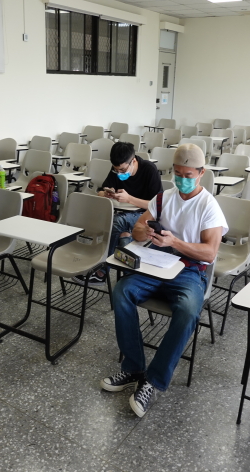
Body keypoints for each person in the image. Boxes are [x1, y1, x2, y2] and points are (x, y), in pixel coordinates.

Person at [100, 143, 228, 417]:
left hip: (189, 270)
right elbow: (138, 228)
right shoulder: (163, 198)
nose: (181, 179)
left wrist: (175, 242)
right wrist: (144, 233)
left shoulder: (208, 206)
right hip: (157, 263)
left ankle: (153, 379)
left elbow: (210, 252)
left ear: (201, 173)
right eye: (177, 173)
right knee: (122, 291)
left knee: (188, 310)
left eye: (188, 175)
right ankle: (133, 367)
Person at [74, 141, 162, 285]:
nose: (119, 173)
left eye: (122, 169)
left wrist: (129, 199)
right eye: (116, 170)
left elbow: (157, 206)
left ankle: (102, 271)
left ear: (133, 161)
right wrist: (106, 194)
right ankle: (129, 275)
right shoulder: (116, 169)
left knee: (118, 223)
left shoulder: (149, 170)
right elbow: (101, 190)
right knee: (122, 234)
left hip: (144, 215)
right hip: (121, 212)